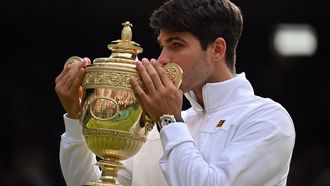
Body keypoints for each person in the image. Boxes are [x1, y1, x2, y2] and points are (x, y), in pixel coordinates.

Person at [55, 0, 296, 185]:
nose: (162, 60)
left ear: (217, 49)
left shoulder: (268, 119)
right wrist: (77, 120)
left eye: (177, 45)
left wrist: (169, 120)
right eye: (162, 46)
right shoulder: (160, 127)